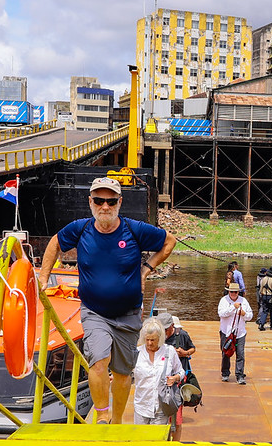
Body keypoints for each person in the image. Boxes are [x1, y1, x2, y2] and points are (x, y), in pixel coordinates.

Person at [38, 177, 177, 424]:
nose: (105, 206)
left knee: (123, 373)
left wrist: (146, 269)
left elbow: (169, 242)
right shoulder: (80, 229)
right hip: (94, 312)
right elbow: (55, 244)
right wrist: (43, 277)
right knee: (99, 360)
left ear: (119, 202)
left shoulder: (134, 229)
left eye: (110, 201)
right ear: (90, 202)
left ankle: (117, 419)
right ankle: (102, 416)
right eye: (99, 200)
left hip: (128, 313)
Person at [132, 317, 185, 431]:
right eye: (147, 340)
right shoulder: (137, 353)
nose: (149, 343)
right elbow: (127, 373)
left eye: (153, 340)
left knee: (157, 443)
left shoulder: (169, 351)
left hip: (161, 406)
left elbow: (181, 372)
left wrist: (175, 378)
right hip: (141, 406)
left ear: (160, 339)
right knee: (140, 441)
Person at [161, 312, 196, 441]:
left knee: (177, 415)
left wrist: (185, 353)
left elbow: (193, 349)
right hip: (162, 379)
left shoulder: (182, 335)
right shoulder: (158, 337)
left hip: (179, 378)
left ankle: (175, 441)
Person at [218, 282, 253, 384]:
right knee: (226, 353)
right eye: (231, 292)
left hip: (240, 332)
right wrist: (233, 307)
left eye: (235, 292)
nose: (233, 294)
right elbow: (221, 314)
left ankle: (240, 375)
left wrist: (244, 314)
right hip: (226, 332)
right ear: (228, 291)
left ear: (238, 292)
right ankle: (225, 373)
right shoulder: (224, 300)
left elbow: (250, 316)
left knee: (240, 354)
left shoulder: (244, 301)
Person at [257, 265, 272, 331]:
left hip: (264, 296)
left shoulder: (264, 278)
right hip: (271, 297)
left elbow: (261, 288)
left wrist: (261, 295)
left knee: (265, 311)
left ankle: (261, 324)